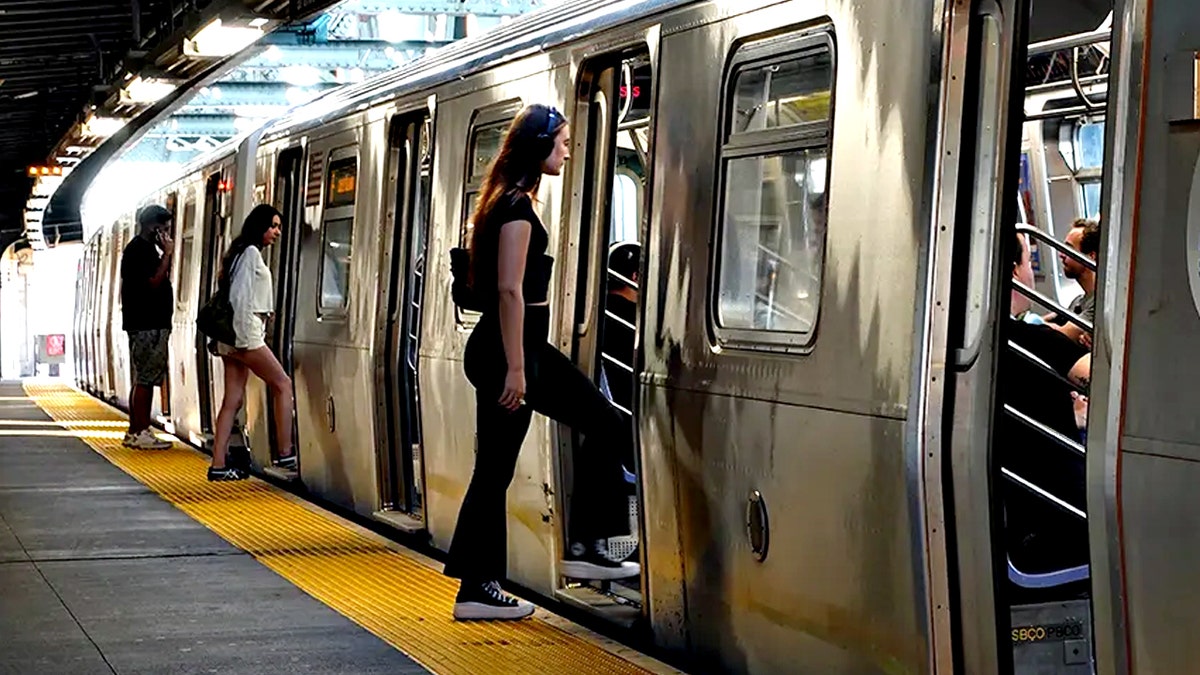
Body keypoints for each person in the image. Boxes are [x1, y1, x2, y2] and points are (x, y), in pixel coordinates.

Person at [446, 104, 638, 622]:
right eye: (563, 144)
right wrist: (516, 370)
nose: (568, 151)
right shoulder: (516, 210)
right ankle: (487, 584)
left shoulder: (505, 202)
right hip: (510, 351)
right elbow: (509, 291)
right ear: (539, 148)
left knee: (501, 467)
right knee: (599, 423)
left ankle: (484, 582)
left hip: (513, 349)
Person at [206, 204, 296, 481]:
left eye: (279, 226)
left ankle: (218, 465)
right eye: (273, 226)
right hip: (244, 335)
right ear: (260, 226)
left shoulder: (238, 253)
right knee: (283, 384)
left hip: (233, 336)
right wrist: (244, 341)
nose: (277, 232)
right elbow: (240, 298)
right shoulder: (251, 254)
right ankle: (286, 452)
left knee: (232, 399)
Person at [119, 204, 176, 450]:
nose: (165, 234)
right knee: (145, 380)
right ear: (153, 227)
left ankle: (136, 430)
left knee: (142, 379)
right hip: (147, 324)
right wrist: (168, 254)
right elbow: (153, 282)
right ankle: (140, 430)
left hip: (144, 322)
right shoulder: (140, 251)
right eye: (163, 229)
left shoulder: (139, 249)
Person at [1046, 218, 1099, 347]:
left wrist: (1032, 322)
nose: (1061, 255)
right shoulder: (1078, 301)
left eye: (1068, 249)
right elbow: (1051, 318)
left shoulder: (1098, 305)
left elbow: (1062, 333)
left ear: (1090, 256)